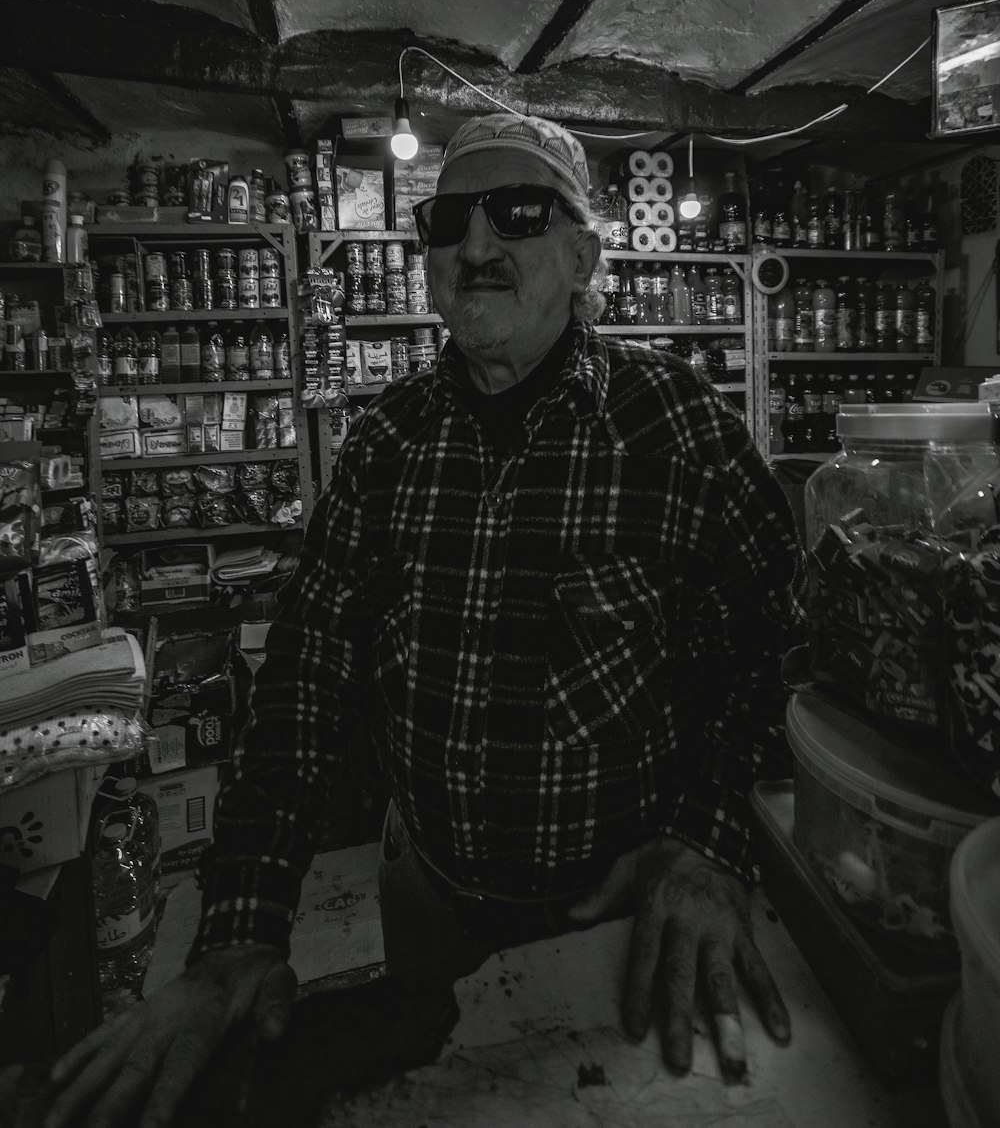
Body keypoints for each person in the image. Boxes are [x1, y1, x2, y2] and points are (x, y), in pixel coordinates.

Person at [47, 114, 806, 1128]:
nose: (477, 248)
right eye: (448, 223)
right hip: (430, 895)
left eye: (517, 214)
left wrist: (709, 845)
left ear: (584, 255)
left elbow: (773, 650)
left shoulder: (679, 428)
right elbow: (303, 691)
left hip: (625, 913)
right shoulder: (385, 445)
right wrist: (240, 933)